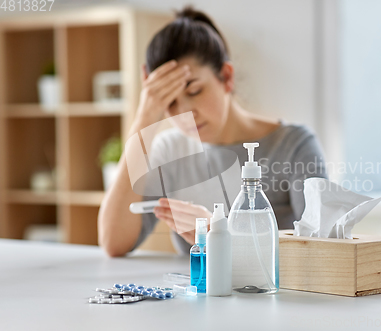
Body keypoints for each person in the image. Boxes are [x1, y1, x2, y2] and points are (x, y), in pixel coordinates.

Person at [98, 7, 328, 257]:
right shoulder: (170, 150)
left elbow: (322, 250)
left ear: (226, 77)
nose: (185, 113)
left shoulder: (294, 146)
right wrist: (144, 118)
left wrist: (222, 234)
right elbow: (114, 241)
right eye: (169, 102)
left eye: (195, 91)